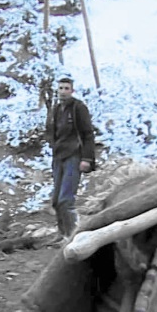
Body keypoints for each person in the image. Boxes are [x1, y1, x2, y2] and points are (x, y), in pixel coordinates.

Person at [45, 76, 96, 238]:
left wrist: (86, 159)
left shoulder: (78, 108)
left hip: (74, 156)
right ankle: (62, 234)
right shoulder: (56, 109)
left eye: (66, 89)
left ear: (72, 91)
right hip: (58, 157)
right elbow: (52, 132)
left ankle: (73, 235)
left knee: (66, 200)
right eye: (61, 88)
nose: (63, 92)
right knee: (56, 200)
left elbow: (88, 134)